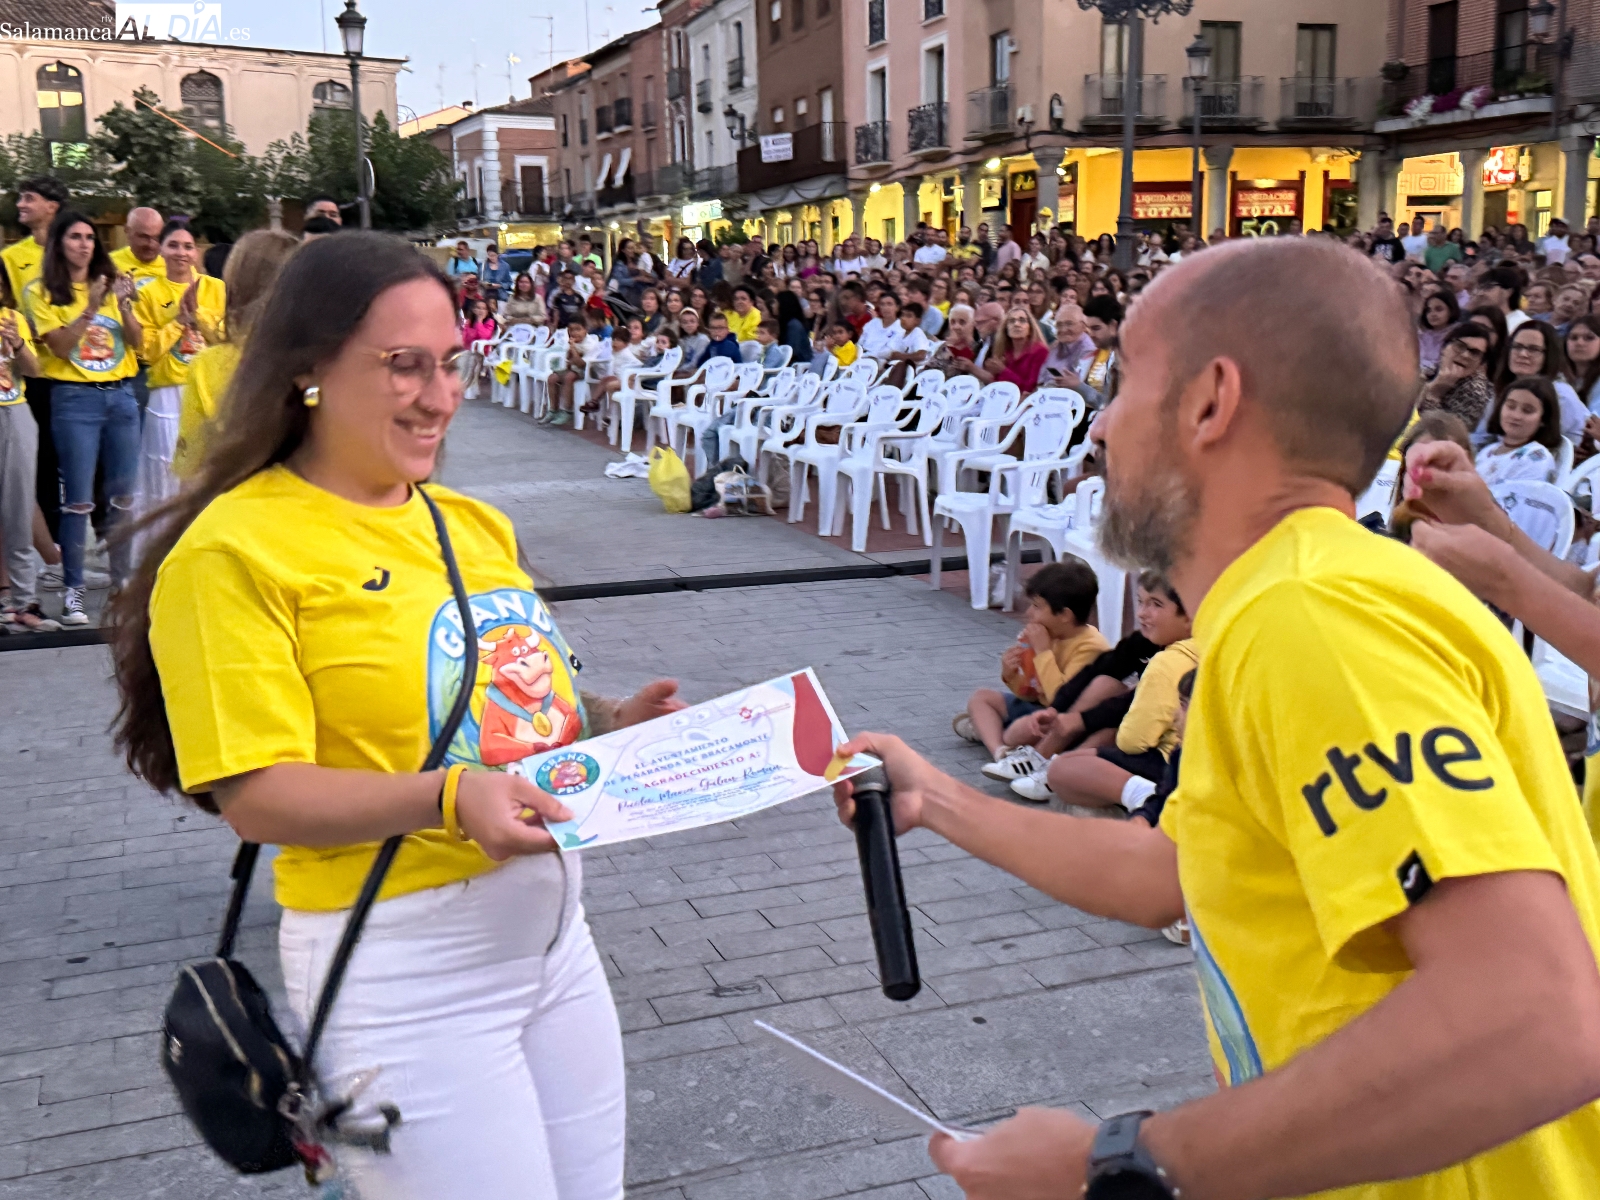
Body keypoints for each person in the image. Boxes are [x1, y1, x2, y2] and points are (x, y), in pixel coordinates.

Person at [834, 235, 1600, 1199]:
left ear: (1210, 402)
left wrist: (1117, 1166)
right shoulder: (1297, 600)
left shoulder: (1313, 618)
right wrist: (938, 801)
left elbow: (1534, 1016)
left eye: (1126, 383)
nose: (1101, 424)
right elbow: (1172, 871)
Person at [109, 231, 685, 1199]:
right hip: (406, 972)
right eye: (403, 365)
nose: (440, 396)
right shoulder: (234, 552)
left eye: (451, 363)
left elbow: (495, 695)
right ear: (308, 370)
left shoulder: (467, 523)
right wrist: (449, 800)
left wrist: (606, 722)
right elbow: (257, 795)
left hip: (555, 948)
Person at [23, 211, 142, 626]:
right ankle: (73, 590)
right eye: (75, 237)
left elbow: (138, 343)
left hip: (121, 396)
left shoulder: (113, 283)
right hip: (75, 400)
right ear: (59, 243)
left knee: (123, 497)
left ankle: (124, 585)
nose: (85, 244)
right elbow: (59, 347)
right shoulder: (41, 291)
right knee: (78, 500)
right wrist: (91, 306)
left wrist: (124, 306)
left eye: (90, 238)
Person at [1021, 571, 1196, 807]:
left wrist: (1043, 653)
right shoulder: (1153, 643)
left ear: (1189, 616)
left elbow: (1132, 740)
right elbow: (1102, 671)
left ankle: (1149, 800)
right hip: (1182, 757)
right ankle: (1041, 761)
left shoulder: (1168, 662)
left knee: (1068, 766)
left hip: (1169, 762)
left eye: (1156, 604)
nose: (1142, 613)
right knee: (1104, 688)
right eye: (1140, 601)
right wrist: (1059, 710)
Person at [958, 559, 1109, 782]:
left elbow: (1061, 698)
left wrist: (1043, 651)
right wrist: (1011, 673)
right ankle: (1001, 752)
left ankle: (992, 733)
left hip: (1058, 718)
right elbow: (1029, 692)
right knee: (981, 698)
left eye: (1037, 606)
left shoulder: (1091, 647)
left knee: (1019, 730)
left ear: (1065, 615)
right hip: (1036, 706)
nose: (1029, 613)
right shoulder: (1050, 634)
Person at [174, 229, 299, 479]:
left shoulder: (209, 365)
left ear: (235, 286)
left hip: (233, 496)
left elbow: (191, 469)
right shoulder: (324, 361)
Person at [132, 218, 225, 516]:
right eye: (173, 245)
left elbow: (227, 339)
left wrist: (199, 316)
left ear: (196, 252)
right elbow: (147, 351)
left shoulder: (217, 288)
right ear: (161, 250)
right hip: (167, 394)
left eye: (188, 246)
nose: (181, 253)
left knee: (207, 472)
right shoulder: (148, 293)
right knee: (165, 473)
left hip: (209, 390)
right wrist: (178, 323)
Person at [4, 175, 69, 543]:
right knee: (42, 461)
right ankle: (53, 546)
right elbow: (9, 309)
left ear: (51, 206)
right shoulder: (11, 257)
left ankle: (93, 538)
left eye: (29, 198)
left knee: (83, 463)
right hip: (35, 372)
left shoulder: (75, 249)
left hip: (78, 371)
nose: (20, 205)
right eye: (20, 198)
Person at [0, 271, 54, 632]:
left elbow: (34, 370)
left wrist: (18, 344)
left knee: (18, 507)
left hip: (13, 411)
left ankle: (24, 601)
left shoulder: (11, 318)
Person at [1498, 319, 1587, 440]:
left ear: (1549, 355)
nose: (1523, 354)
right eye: (1517, 346)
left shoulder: (1561, 395)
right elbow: (1483, 435)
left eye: (1533, 349)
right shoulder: (1504, 386)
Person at [1475, 377, 1563, 486]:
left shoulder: (1536, 458)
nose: (1516, 416)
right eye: (1511, 406)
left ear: (1544, 419)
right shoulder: (1488, 451)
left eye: (1527, 411)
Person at [1419, 322, 1495, 430]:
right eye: (1460, 346)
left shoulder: (1475, 393)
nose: (1465, 355)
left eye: (1474, 353)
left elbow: (1444, 434)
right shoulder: (1426, 373)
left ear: (1481, 363)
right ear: (1444, 347)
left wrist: (1434, 395)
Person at [110, 206, 168, 290]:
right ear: (127, 230)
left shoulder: (174, 265)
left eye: (157, 238)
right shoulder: (109, 264)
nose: (151, 245)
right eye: (144, 237)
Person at [1417, 290, 1461, 374]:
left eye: (1439, 309)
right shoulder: (1422, 335)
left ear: (1451, 311)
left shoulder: (1459, 334)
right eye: (1429, 310)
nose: (1433, 314)